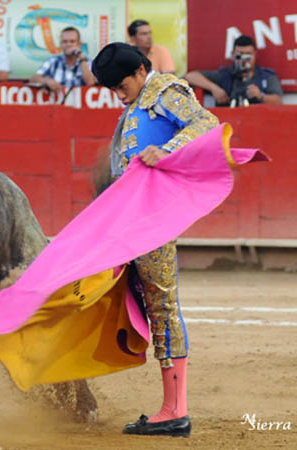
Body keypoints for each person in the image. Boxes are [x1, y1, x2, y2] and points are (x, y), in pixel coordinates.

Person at [91, 42, 220, 437]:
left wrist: (164, 150)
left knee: (161, 303)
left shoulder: (164, 91)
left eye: (120, 84)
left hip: (154, 219)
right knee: (120, 297)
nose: (118, 92)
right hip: (132, 220)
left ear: (140, 71)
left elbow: (206, 124)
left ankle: (174, 409)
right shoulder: (136, 106)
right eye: (111, 87)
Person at [185, 35, 283, 106]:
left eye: (248, 55)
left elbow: (278, 101)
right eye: (240, 55)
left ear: (255, 55)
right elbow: (190, 76)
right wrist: (214, 88)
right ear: (233, 55)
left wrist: (260, 96)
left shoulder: (266, 77)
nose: (244, 59)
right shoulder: (225, 75)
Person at [28, 26, 96, 93]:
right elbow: (34, 79)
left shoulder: (87, 62)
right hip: (57, 102)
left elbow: (90, 83)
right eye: (65, 42)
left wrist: (80, 57)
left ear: (79, 44)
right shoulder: (53, 61)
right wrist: (47, 81)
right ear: (61, 44)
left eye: (72, 41)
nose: (68, 44)